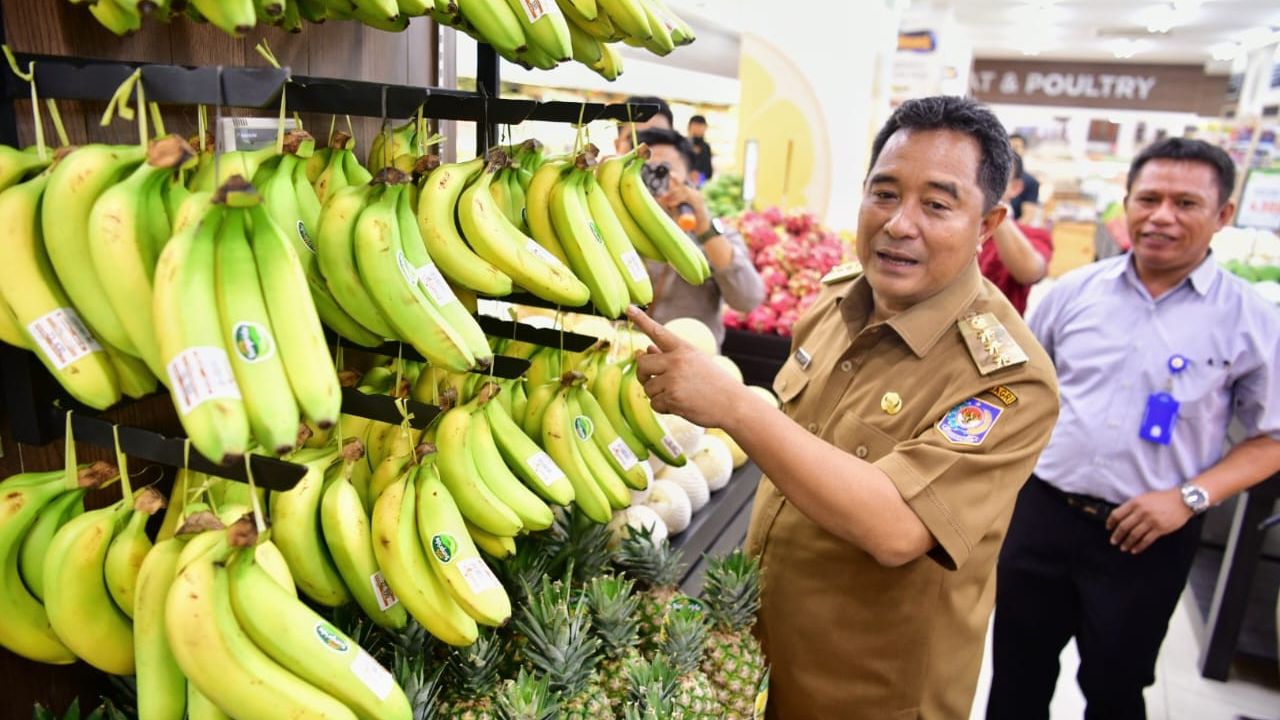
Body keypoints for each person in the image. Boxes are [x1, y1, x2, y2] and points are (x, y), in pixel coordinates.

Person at [623, 95, 1061, 718]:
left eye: (936, 204)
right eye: (884, 193)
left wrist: (737, 408)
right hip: (758, 663)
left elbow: (897, 529)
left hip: (868, 697)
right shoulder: (835, 300)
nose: (900, 224)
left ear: (986, 225)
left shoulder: (1008, 378)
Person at [986, 138, 1280, 719]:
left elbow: (1272, 436)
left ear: (1223, 215)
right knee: (1016, 678)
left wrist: (1188, 498)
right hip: (1042, 515)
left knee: (1116, 690)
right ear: (1126, 204)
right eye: (1148, 199)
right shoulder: (1071, 293)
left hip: (1149, 535)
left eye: (1186, 203)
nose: (1162, 216)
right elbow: (1017, 391)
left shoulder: (1251, 319)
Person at [635, 126, 763, 349]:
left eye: (663, 170)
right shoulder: (621, 229)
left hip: (693, 369)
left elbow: (748, 299)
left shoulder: (714, 233)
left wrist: (703, 224)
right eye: (645, 171)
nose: (654, 180)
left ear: (692, 177)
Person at [981, 153, 1053, 315]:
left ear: (1015, 188)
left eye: (993, 176)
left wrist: (993, 205)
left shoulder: (1033, 235)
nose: (981, 182)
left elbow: (1029, 272)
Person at [1008, 132, 1040, 220]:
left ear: (1025, 150)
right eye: (1009, 147)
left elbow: (1027, 218)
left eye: (1017, 147)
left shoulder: (1031, 183)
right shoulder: (995, 177)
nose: (1013, 150)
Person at [687, 114, 714, 185]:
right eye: (695, 126)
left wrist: (700, 177)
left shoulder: (706, 147)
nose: (698, 129)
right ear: (689, 127)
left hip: (701, 185)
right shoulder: (682, 145)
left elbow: (709, 171)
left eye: (700, 126)